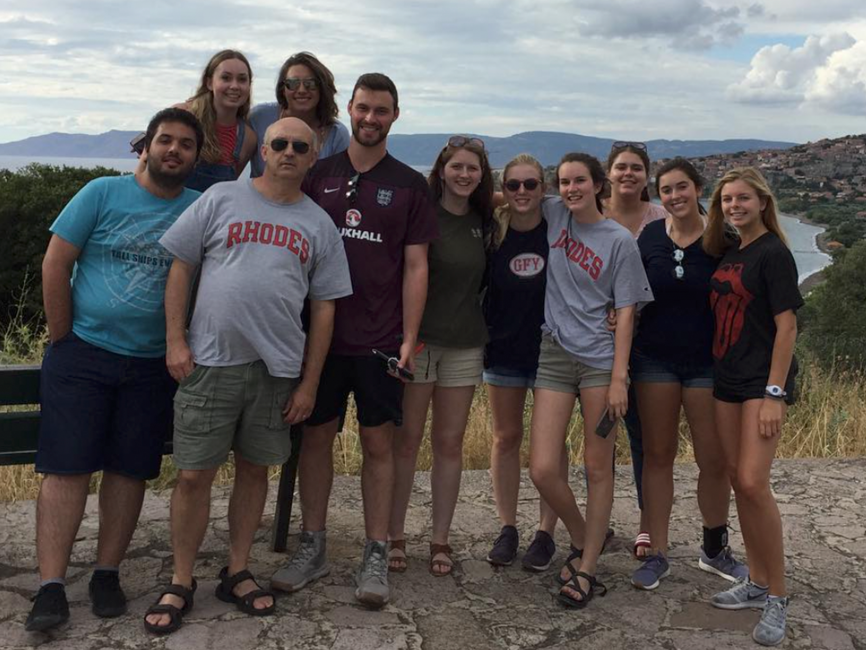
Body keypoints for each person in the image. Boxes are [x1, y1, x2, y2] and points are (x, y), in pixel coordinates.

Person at [141, 117, 352, 635]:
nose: (286, 152)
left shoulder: (319, 224)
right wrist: (176, 341)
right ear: (265, 150)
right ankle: (181, 578)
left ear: (311, 157)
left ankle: (236, 570)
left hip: (276, 370)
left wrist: (308, 383)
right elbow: (181, 267)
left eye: (298, 146)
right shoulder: (220, 199)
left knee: (255, 471)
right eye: (278, 143)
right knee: (193, 476)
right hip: (209, 363)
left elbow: (324, 310)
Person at [25, 108, 203, 632]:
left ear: (195, 157)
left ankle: (107, 572)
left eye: (186, 144)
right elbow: (56, 262)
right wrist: (63, 337)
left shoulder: (198, 209)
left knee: (129, 470)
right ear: (144, 147)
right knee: (68, 468)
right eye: (165, 141)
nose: (174, 150)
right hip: (84, 355)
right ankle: (51, 586)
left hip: (153, 363)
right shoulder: (101, 193)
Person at [270, 73, 438, 608]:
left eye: (381, 110)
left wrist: (410, 338)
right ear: (350, 108)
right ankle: (313, 545)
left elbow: (416, 266)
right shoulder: (317, 173)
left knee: (377, 445)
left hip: (381, 340)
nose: (370, 118)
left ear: (395, 114)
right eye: (363, 108)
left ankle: (375, 549)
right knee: (315, 440)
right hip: (317, 340)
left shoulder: (411, 184)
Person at [529, 153, 652, 609]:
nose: (570, 189)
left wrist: (620, 378)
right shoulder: (552, 212)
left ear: (598, 185)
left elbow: (625, 314)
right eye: (563, 182)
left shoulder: (619, 240)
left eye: (579, 180)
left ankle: (587, 568)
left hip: (601, 364)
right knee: (542, 467)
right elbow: (507, 198)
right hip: (555, 354)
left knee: (597, 467)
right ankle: (586, 538)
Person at [629, 158, 747, 590]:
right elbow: (629, 289)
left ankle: (714, 548)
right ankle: (657, 552)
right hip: (654, 359)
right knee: (657, 456)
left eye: (682, 187)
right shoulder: (651, 236)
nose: (674, 196)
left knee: (712, 459)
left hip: (707, 362)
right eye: (666, 190)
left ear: (698, 189)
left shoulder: (724, 238)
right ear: (658, 196)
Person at [704, 167, 802, 647]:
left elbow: (787, 328)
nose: (734, 206)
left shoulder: (774, 254)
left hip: (760, 386)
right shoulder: (731, 250)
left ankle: (778, 596)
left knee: (752, 482)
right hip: (726, 380)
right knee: (735, 478)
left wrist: (774, 393)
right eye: (726, 200)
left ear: (762, 202)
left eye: (743, 198)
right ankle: (758, 582)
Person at [387, 135, 493, 577]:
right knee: (406, 442)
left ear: (482, 175)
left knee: (449, 444)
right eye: (457, 167)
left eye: (473, 168)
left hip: (465, 343)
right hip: (420, 343)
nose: (464, 175)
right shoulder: (421, 213)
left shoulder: (486, 221)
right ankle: (394, 535)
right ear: (442, 170)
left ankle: (440, 538)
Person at [480, 154, 560, 570]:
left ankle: (546, 532)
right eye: (513, 186)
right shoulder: (494, 231)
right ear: (503, 190)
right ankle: (507, 527)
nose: (523, 192)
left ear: (544, 187)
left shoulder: (560, 225)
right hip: (503, 348)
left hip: (553, 353)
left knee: (549, 447)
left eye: (531, 184)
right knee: (505, 438)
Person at [603, 141, 667, 557]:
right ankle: (599, 520)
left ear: (647, 176)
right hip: (589, 341)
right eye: (621, 167)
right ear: (608, 173)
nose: (628, 174)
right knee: (599, 441)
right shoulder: (586, 211)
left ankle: (646, 524)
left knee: (641, 436)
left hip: (648, 343)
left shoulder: (662, 217)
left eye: (636, 168)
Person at [249, 52, 350, 178]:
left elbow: (337, 185)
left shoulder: (337, 134)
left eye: (310, 84)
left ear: (322, 88)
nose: (302, 90)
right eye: (293, 83)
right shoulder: (259, 117)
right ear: (283, 89)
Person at [172, 50, 257, 192]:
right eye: (226, 78)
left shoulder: (247, 139)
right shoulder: (181, 116)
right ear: (209, 83)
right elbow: (147, 172)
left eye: (242, 79)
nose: (234, 86)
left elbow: (226, 192)